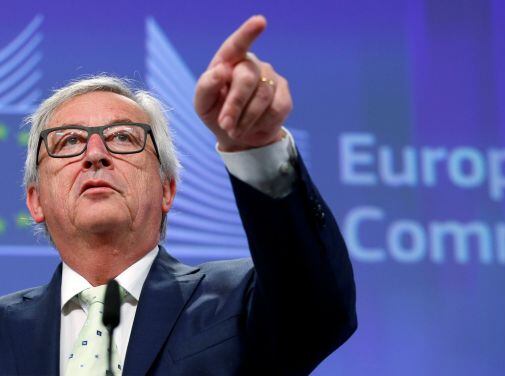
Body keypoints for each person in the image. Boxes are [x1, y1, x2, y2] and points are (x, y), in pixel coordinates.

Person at [0, 15, 356, 375]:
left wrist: (257, 146)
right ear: (36, 201)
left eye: (123, 137)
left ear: (167, 188)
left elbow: (316, 311)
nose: (95, 153)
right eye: (70, 141)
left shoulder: (235, 303)